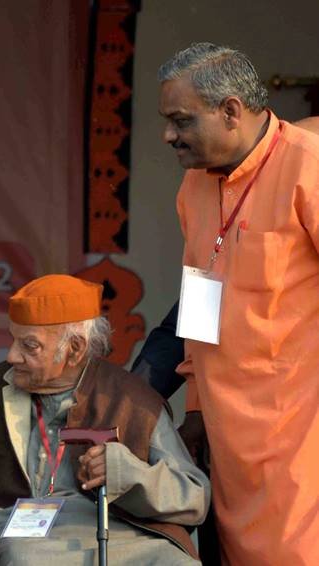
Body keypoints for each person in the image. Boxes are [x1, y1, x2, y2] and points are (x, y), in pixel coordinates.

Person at [158, 43, 319, 564]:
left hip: (300, 431)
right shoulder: (193, 185)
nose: (168, 135)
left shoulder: (308, 167)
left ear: (230, 110)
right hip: (229, 437)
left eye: (180, 120)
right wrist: (198, 410)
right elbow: (200, 296)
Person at [0, 275, 209, 566]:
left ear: (75, 349)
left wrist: (129, 474)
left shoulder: (134, 400)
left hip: (120, 529)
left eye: (29, 346)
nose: (11, 356)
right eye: (13, 340)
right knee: (23, 558)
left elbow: (195, 497)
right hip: (21, 529)